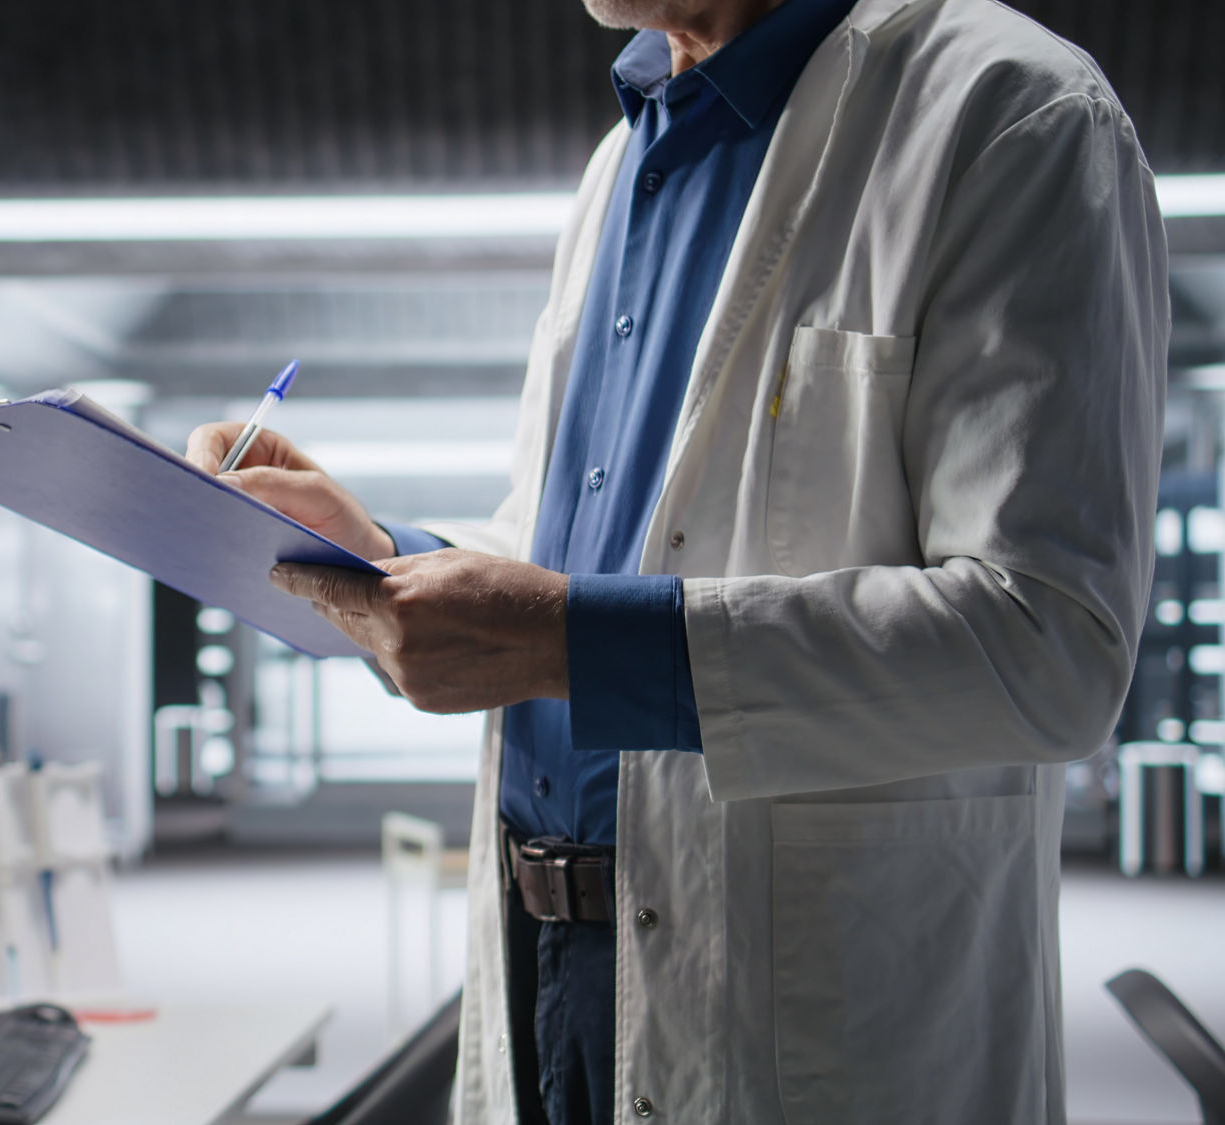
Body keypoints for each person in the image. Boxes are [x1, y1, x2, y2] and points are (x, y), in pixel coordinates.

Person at [185, 0, 1168, 1121]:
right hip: (541, 960)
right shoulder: (620, 164)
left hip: (799, 1006)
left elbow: (1046, 645)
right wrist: (376, 554)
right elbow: (563, 548)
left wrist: (575, 643)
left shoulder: (1009, 110)